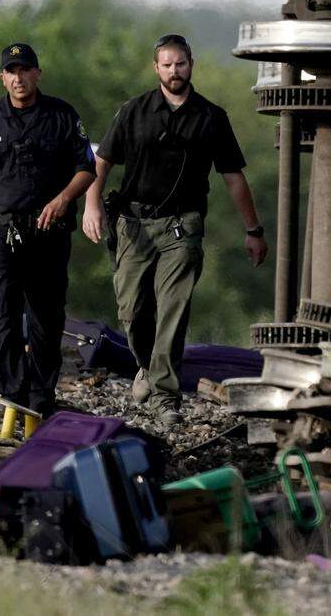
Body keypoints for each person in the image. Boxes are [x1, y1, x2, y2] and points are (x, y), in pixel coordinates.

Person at [82, 33, 268, 424]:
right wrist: (91, 205)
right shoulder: (134, 111)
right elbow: (102, 162)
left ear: (191, 65)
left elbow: (233, 176)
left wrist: (253, 229)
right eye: (166, 64)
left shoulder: (211, 118)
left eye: (180, 63)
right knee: (132, 311)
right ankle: (148, 369)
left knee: (173, 309)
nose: (174, 71)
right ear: (156, 68)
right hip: (133, 224)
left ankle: (165, 397)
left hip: (182, 227)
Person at [0, 43, 96, 417]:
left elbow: (87, 167)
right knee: (3, 312)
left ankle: (41, 397)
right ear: (2, 77)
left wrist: (63, 199)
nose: (18, 77)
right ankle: (12, 393)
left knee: (46, 316)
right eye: (12, 71)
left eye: (25, 70)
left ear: (37, 74)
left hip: (48, 231)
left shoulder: (61, 115)